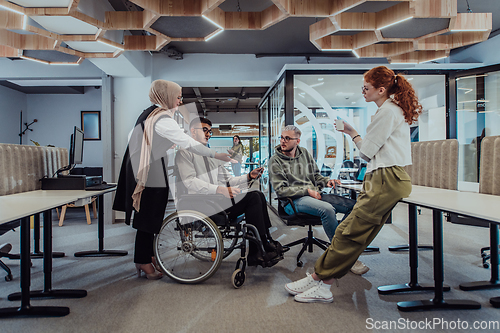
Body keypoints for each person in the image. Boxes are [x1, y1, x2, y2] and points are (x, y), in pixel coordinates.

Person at [284, 66, 420, 303]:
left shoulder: (387, 112)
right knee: (355, 235)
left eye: (366, 88)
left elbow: (366, 153)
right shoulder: (392, 111)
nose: (363, 92)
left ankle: (320, 281)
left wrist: (353, 133)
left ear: (381, 89)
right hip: (387, 178)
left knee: (347, 234)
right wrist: (352, 132)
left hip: (385, 179)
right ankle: (320, 280)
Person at [113, 80, 233, 280]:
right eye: (177, 97)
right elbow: (186, 142)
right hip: (149, 172)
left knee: (151, 217)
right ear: (166, 96)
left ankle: (147, 256)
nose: (180, 100)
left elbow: (138, 139)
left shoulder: (149, 113)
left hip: (147, 167)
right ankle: (142, 260)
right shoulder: (161, 118)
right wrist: (215, 155)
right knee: (148, 218)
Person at [175, 117, 288, 267]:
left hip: (215, 199)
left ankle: (265, 241)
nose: (208, 134)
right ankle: (257, 251)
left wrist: (248, 176)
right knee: (253, 197)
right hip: (201, 202)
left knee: (258, 195)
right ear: (193, 132)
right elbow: (189, 182)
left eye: (210, 131)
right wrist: (219, 189)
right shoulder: (185, 153)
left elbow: (228, 180)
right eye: (204, 130)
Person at [269, 125, 366, 274]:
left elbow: (316, 176)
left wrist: (326, 181)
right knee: (327, 209)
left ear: (297, 141)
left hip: (313, 195)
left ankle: (339, 243)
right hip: (292, 201)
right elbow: (281, 189)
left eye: (287, 138)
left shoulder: (305, 154)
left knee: (355, 207)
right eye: (282, 137)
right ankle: (342, 256)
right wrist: (307, 191)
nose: (283, 141)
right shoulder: (275, 161)